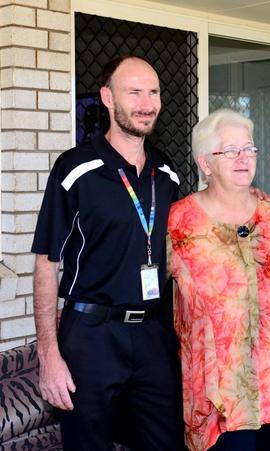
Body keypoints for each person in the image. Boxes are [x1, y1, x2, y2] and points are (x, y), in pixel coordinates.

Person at [32, 55, 184, 450]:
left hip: (154, 333)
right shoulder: (75, 167)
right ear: (108, 98)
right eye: (134, 92)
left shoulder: (168, 173)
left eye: (153, 92)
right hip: (92, 335)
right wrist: (48, 354)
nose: (147, 102)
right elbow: (46, 264)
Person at [168, 109, 270, 451]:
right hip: (217, 398)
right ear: (206, 163)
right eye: (230, 151)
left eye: (249, 148)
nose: (244, 158)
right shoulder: (180, 221)